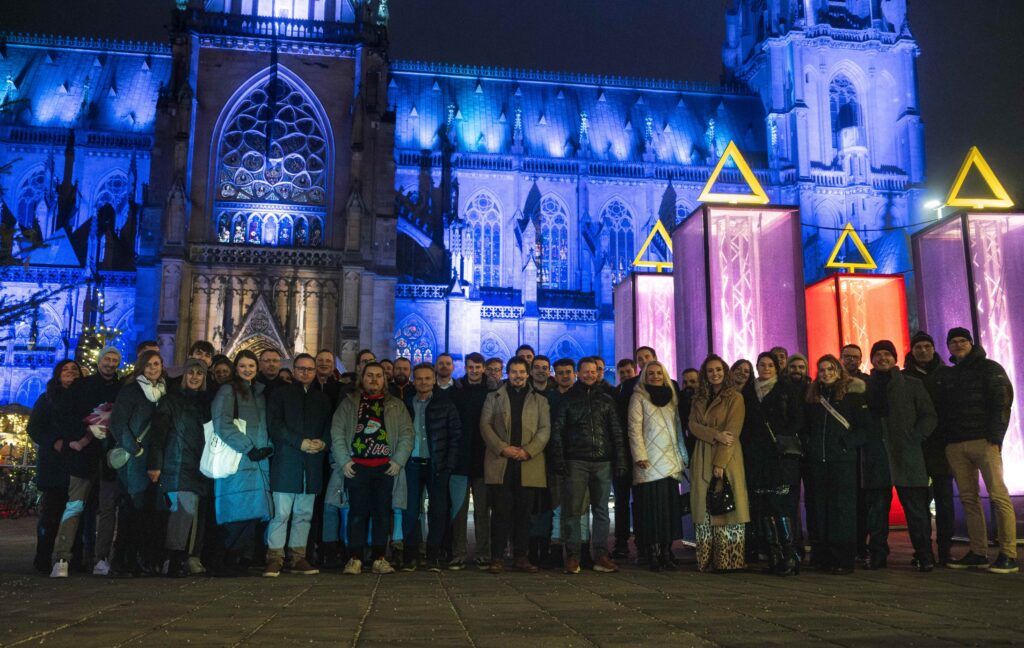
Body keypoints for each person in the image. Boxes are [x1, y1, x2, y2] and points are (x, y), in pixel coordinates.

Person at [937, 327, 1017, 573]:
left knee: (998, 495)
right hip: (956, 444)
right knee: (969, 499)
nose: (958, 344)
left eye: (963, 340)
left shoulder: (990, 368)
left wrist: (995, 437)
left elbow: (1003, 401)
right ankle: (978, 551)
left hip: (984, 441)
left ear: (971, 343)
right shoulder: (949, 374)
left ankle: (1008, 553)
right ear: (948, 346)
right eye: (953, 341)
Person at [332, 362, 413, 575]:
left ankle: (379, 558)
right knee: (356, 514)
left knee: (382, 514)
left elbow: (407, 434)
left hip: (385, 468)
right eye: (370, 375)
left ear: (384, 379)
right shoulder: (349, 403)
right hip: (356, 468)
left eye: (378, 375)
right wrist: (344, 461)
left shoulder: (396, 405)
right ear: (362, 377)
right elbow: (337, 432)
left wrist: (398, 461)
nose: (374, 379)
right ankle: (355, 558)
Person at [864, 340, 937, 571]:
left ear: (895, 358)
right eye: (878, 354)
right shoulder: (864, 387)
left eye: (887, 354)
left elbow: (929, 415)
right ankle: (877, 554)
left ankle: (924, 554)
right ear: (872, 359)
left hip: (907, 452)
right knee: (877, 510)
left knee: (916, 510)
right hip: (876, 454)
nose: (882, 358)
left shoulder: (912, 384)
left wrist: (916, 437)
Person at [549, 358, 627, 574]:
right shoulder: (568, 399)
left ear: (598, 373)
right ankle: (573, 556)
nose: (590, 375)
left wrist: (620, 460)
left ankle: (601, 555)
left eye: (593, 371)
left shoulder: (606, 399)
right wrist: (559, 460)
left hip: (603, 461)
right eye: (586, 372)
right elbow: (558, 431)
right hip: (576, 461)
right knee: (573, 511)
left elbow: (616, 431)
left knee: (601, 511)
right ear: (578, 373)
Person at [480, 357, 550, 574]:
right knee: (500, 512)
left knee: (524, 513)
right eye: (513, 372)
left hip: (528, 462)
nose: (517, 376)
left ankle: (521, 557)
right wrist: (503, 448)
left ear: (527, 374)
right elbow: (485, 426)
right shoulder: (494, 397)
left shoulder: (540, 400)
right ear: (507, 373)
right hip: (501, 462)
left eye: (521, 372)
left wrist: (528, 450)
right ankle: (497, 558)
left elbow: (545, 429)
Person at [802, 355, 871, 575]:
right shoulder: (813, 397)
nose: (826, 373)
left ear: (839, 371)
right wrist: (810, 445)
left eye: (830, 369)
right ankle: (823, 557)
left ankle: (842, 559)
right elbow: (807, 427)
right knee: (820, 510)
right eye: (822, 370)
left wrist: (845, 444)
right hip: (818, 461)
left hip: (842, 462)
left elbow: (865, 429)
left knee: (842, 511)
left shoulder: (852, 396)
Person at [265, 353, 331, 577]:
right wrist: (299, 442)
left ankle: (297, 556)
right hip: (287, 462)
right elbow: (275, 425)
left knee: (304, 513)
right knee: (281, 514)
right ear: (293, 371)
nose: (305, 372)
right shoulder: (281, 394)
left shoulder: (322, 398)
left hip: (311, 464)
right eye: (301, 368)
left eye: (310, 369)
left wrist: (324, 443)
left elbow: (329, 426)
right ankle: (274, 557)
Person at [210, 350, 274, 577]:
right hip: (238, 460)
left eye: (251, 366)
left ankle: (239, 560)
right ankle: (222, 559)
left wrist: (268, 447)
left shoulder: (259, 392)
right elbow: (222, 423)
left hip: (257, 462)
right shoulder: (228, 390)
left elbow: (264, 424)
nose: (248, 370)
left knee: (252, 512)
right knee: (236, 511)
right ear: (236, 368)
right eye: (243, 366)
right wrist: (248, 448)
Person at [741, 352, 804, 576]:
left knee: (781, 505)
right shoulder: (749, 391)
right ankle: (774, 555)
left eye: (770, 365)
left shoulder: (786, 389)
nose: (766, 368)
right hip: (757, 457)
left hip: (780, 456)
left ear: (777, 368)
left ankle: (790, 555)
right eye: (762, 365)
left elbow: (798, 419)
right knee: (764, 507)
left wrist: (781, 436)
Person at [149, 358, 211, 577]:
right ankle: (172, 559)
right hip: (177, 464)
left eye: (199, 373)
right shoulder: (171, 401)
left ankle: (182, 558)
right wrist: (155, 464)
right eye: (191, 372)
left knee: (191, 513)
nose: (195, 377)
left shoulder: (203, 403)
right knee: (182, 512)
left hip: (198, 466)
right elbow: (158, 435)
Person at [109, 350, 168, 577]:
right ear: (141, 367)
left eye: (157, 364)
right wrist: (135, 448)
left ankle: (143, 560)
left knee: (148, 513)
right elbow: (118, 423)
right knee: (131, 511)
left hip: (155, 460)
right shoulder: (131, 391)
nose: (153, 368)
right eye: (149, 365)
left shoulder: (163, 392)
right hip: (134, 460)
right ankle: (122, 561)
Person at [688, 354, 748, 572]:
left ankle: (728, 560)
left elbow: (732, 433)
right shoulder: (698, 398)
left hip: (727, 457)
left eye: (719, 369)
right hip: (702, 455)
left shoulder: (735, 398)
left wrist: (720, 464)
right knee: (703, 507)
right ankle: (706, 559)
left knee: (726, 506)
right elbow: (692, 426)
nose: (715, 374)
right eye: (710, 370)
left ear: (725, 372)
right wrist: (715, 434)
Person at [628, 360, 688, 572]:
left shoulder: (672, 398)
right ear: (644, 376)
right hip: (649, 462)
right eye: (650, 373)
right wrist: (639, 455)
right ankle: (653, 553)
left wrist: (682, 455)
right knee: (652, 510)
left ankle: (666, 551)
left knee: (669, 511)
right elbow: (634, 429)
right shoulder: (638, 397)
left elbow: (677, 428)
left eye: (658, 373)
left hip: (669, 461)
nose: (655, 376)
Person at [401, 363, 461, 571]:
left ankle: (433, 555)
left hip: (437, 465)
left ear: (434, 380)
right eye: (419, 378)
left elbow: (455, 436)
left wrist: (448, 466)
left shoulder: (446, 404)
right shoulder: (406, 404)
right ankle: (411, 555)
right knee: (410, 511)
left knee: (437, 511)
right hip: (411, 464)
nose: (423, 382)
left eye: (427, 378)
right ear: (413, 380)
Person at [902, 331, 953, 564]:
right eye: (918, 347)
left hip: (941, 446)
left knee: (944, 500)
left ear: (933, 348)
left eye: (927, 346)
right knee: (918, 502)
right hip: (915, 446)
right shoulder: (903, 378)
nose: (923, 350)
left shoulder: (946, 375)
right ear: (911, 351)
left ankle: (945, 549)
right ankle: (923, 551)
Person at [72, 346, 123, 576]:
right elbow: (74, 413)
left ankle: (100, 557)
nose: (110, 364)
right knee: (81, 507)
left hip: (109, 455)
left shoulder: (120, 388)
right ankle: (78, 555)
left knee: (106, 508)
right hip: (85, 454)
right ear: (99, 360)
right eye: (107, 359)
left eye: (114, 360)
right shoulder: (84, 385)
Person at [28, 360, 81, 575]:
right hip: (54, 463)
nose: (70, 373)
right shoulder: (47, 399)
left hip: (77, 462)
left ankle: (74, 558)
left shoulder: (83, 398)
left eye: (74, 370)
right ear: (58, 374)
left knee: (77, 514)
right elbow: (34, 428)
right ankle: (42, 557)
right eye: (65, 370)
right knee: (51, 515)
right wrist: (53, 442)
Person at [448, 352, 491, 570]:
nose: (474, 371)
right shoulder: (456, 392)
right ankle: (458, 553)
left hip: (484, 459)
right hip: (460, 459)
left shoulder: (491, 392)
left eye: (478, 367)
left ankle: (484, 553)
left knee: (483, 511)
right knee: (459, 510)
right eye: (471, 367)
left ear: (483, 369)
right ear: (465, 368)